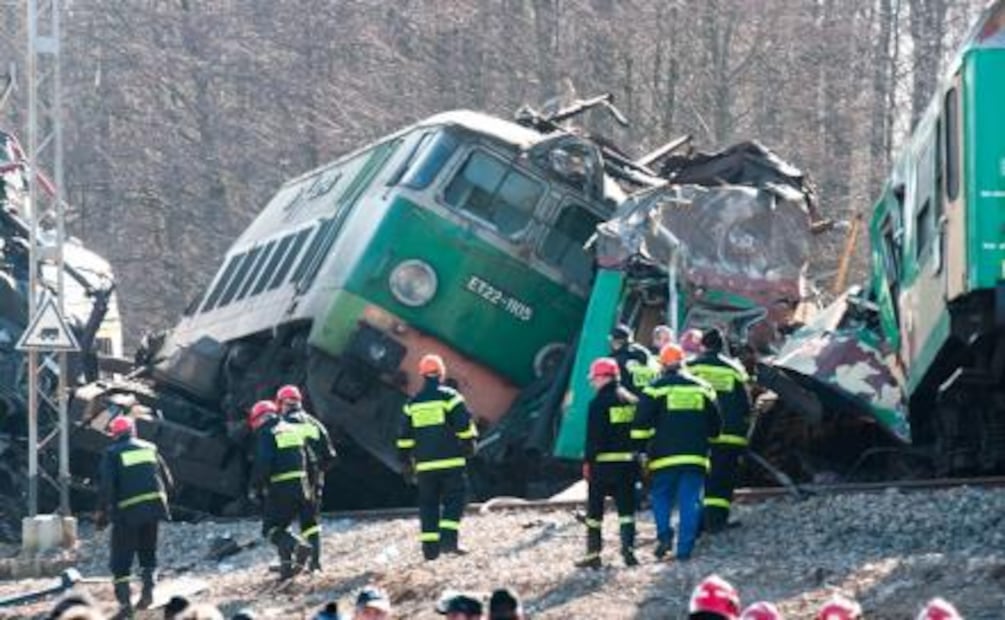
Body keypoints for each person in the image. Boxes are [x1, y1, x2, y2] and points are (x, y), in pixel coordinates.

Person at [633, 344, 720, 561]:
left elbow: (639, 424)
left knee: (660, 496)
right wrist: (710, 440)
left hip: (663, 457)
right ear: (683, 362)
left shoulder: (655, 388)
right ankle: (684, 551)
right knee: (690, 501)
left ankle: (664, 534)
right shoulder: (703, 388)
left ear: (662, 365)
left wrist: (640, 450)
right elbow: (716, 424)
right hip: (695, 456)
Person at [397, 353, 478, 560]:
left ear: (422, 375)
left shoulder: (412, 404)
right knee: (455, 500)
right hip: (451, 461)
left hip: (424, 466)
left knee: (428, 505)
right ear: (441, 373)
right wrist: (469, 444)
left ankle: (430, 551)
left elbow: (404, 437)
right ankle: (449, 542)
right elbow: (463, 426)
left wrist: (405, 461)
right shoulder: (450, 397)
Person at [96, 415, 174, 619]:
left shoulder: (112, 453)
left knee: (120, 561)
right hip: (155, 508)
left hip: (128, 513)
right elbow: (168, 480)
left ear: (114, 434)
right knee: (148, 552)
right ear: (133, 431)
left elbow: (107, 487)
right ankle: (148, 591)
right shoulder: (150, 448)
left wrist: (103, 513)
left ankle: (125, 607)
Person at [575, 357, 639, 569]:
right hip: (628, 465)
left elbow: (593, 438)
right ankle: (629, 549)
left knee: (594, 512)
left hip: (602, 466)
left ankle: (593, 553)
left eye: (594, 378)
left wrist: (587, 462)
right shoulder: (632, 401)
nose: (592, 382)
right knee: (626, 510)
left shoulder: (598, 404)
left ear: (604, 378)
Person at [687, 329, 751, 533]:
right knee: (722, 479)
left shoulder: (690, 368)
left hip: (699, 435)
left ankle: (695, 523)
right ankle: (716, 522)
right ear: (721, 346)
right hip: (729, 436)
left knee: (697, 479)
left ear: (702, 346)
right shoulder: (734, 369)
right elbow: (746, 405)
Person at [248, 399, 314, 579]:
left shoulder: (266, 432)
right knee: (283, 526)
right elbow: (308, 457)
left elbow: (264, 462)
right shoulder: (291, 428)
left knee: (269, 529)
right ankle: (286, 569)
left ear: (259, 419)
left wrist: (255, 486)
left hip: (282, 486)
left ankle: (300, 547)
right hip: (302, 485)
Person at [276, 384, 336, 571]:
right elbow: (330, 456)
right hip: (313, 480)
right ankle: (315, 563)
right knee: (310, 522)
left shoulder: (280, 426)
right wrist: (318, 472)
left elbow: (274, 456)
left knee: (282, 522)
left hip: (288, 481)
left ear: (281, 403)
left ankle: (287, 566)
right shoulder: (314, 424)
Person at [609, 324, 660, 393]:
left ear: (617, 341)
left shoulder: (614, 359)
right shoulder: (644, 353)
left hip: (625, 398)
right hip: (648, 397)